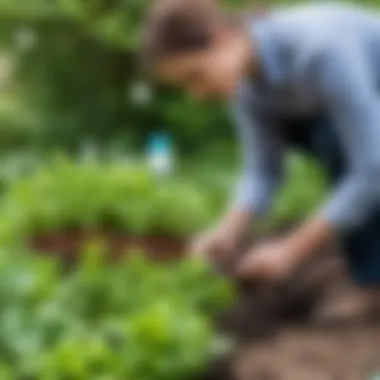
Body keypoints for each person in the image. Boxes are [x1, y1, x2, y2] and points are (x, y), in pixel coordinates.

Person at [142, 0, 380, 322]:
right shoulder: (249, 85)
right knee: (332, 138)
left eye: (195, 76)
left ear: (221, 38)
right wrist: (227, 231)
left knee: (336, 141)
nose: (196, 95)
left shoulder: (320, 51)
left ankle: (372, 284)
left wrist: (293, 249)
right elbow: (263, 170)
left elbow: (371, 169)